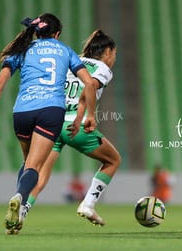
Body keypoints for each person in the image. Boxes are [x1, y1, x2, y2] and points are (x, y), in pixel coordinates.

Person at [0, 13, 96, 235]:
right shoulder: (65, 50)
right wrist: (90, 115)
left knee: (27, 162)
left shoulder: (22, 48)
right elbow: (88, 82)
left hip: (22, 111)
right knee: (35, 167)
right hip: (50, 111)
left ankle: (16, 208)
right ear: (57, 34)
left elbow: (0, 81)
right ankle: (19, 200)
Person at [22, 29, 121, 227]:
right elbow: (90, 86)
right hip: (76, 124)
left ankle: (22, 211)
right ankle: (88, 204)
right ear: (108, 52)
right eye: (115, 54)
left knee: (40, 174)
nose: (114, 59)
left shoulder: (73, 63)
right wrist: (89, 115)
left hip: (51, 123)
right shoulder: (102, 68)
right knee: (113, 160)